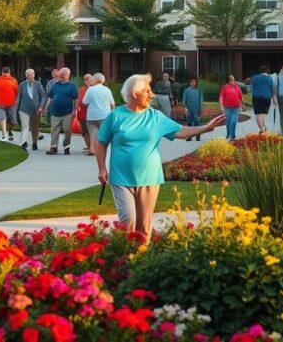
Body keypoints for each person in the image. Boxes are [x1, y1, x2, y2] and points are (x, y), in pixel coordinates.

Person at [94, 74, 226, 242]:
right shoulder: (115, 116)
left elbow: (179, 131)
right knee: (128, 219)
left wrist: (205, 128)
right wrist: (102, 168)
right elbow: (101, 142)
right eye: (148, 91)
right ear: (135, 93)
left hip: (149, 177)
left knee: (143, 225)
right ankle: (125, 259)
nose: (152, 95)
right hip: (121, 177)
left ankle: (141, 261)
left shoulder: (155, 116)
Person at [43, 67, 78, 155]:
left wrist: (74, 110)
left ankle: (66, 147)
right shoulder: (55, 85)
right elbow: (50, 97)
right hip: (55, 112)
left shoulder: (72, 86)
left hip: (67, 112)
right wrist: (46, 107)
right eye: (60, 73)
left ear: (67, 75)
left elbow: (75, 99)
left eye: (63, 74)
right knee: (54, 130)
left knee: (67, 130)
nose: (60, 75)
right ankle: (53, 148)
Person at [82, 73, 116, 155]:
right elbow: (112, 103)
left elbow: (84, 102)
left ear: (95, 80)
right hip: (105, 115)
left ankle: (92, 150)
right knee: (103, 134)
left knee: (92, 134)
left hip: (92, 116)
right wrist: (112, 113)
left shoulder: (91, 89)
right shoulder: (107, 90)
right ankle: (102, 150)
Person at [14, 68, 46, 151]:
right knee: (25, 126)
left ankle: (34, 143)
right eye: (28, 76)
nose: (30, 77)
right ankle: (24, 142)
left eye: (32, 75)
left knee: (34, 127)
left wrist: (41, 107)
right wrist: (16, 108)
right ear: (26, 76)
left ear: (34, 75)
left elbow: (43, 96)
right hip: (23, 109)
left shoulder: (38, 84)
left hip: (36, 110)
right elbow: (18, 97)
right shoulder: (22, 85)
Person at [0, 67, 19, 142]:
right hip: (0, 104)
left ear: (9, 72)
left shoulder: (13, 80)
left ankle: (9, 131)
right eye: (4, 73)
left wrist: (17, 101)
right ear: (2, 72)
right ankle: (4, 135)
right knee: (2, 118)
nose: (5, 75)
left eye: (6, 73)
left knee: (13, 121)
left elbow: (17, 92)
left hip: (12, 104)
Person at [250, 65, 274, 134]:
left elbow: (252, 88)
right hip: (267, 98)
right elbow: (271, 89)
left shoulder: (254, 78)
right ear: (267, 71)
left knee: (258, 114)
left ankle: (262, 129)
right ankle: (264, 127)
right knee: (263, 114)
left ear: (260, 71)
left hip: (257, 97)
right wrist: (273, 98)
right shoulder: (270, 78)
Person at [219, 75, 243, 140]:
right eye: (232, 80)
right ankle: (229, 134)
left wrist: (242, 105)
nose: (233, 81)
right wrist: (221, 105)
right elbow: (221, 96)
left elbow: (241, 97)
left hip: (236, 108)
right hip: (227, 107)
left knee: (234, 121)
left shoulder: (237, 87)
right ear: (229, 81)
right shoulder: (225, 87)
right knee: (228, 121)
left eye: (233, 79)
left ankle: (232, 135)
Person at [76, 74, 94, 154]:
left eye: (89, 79)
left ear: (93, 80)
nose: (87, 81)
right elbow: (78, 99)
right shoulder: (82, 89)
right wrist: (77, 107)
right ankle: (88, 146)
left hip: (91, 113)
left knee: (91, 131)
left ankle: (92, 148)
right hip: (82, 113)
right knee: (84, 131)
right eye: (86, 79)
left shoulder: (94, 89)